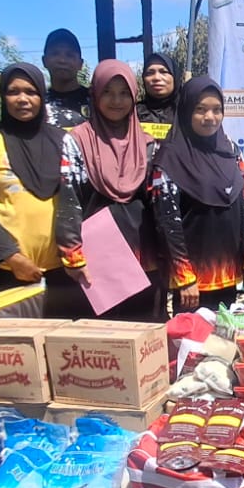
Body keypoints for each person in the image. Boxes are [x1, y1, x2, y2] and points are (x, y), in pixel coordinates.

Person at [0, 62, 88, 318]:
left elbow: (79, 198)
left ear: (42, 96)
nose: (23, 99)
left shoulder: (64, 140)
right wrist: (12, 257)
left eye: (31, 92)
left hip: (62, 273)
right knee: (11, 354)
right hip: (6, 273)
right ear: (3, 96)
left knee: (61, 353)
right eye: (13, 92)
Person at [64, 59, 167, 321]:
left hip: (143, 255)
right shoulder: (77, 140)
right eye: (108, 92)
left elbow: (159, 204)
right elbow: (68, 200)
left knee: (143, 333)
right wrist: (72, 255)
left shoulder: (148, 144)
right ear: (95, 94)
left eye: (124, 93)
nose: (116, 100)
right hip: (97, 256)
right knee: (103, 341)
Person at [153, 75, 244, 314]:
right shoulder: (170, 156)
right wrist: (184, 277)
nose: (209, 117)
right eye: (200, 110)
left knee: (224, 345)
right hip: (192, 282)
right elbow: (167, 222)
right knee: (193, 346)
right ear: (186, 111)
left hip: (228, 273)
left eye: (216, 110)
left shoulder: (230, 150)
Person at [41, 28, 89, 129]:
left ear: (80, 64)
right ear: (44, 61)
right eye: (55, 53)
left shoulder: (97, 101)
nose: (62, 60)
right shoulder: (36, 104)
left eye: (70, 55)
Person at [137, 51, 181, 142]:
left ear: (174, 77)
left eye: (163, 72)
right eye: (150, 73)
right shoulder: (134, 114)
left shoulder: (187, 111)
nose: (156, 78)